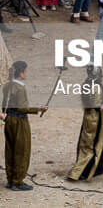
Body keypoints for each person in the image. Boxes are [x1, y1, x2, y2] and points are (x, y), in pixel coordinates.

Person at [2, 60, 48, 191]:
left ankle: (11, 179)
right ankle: (18, 181)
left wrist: (5, 117)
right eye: (26, 71)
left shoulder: (7, 86)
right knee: (22, 151)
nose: (26, 73)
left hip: (9, 120)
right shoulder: (20, 88)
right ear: (21, 73)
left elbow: (4, 104)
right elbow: (22, 108)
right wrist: (38, 109)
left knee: (10, 150)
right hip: (19, 122)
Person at [66, 64, 103, 182]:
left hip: (88, 117)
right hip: (95, 119)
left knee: (92, 142)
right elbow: (98, 107)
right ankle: (83, 171)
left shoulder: (86, 84)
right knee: (93, 144)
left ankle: (99, 167)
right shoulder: (96, 87)